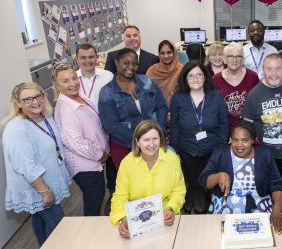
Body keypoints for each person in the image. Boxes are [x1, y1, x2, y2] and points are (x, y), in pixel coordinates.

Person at [1, 83, 71, 246]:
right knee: (59, 227)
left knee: (40, 221)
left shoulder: (46, 117)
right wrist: (45, 192)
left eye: (38, 96)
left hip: (48, 182)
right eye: (27, 99)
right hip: (37, 187)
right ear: (17, 103)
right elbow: (26, 166)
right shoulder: (16, 129)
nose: (35, 102)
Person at [198, 120, 282, 232]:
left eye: (245, 140)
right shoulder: (220, 153)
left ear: (253, 140)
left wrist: (277, 210)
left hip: (259, 202)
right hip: (225, 202)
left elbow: (277, 184)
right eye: (235, 140)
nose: (239, 145)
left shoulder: (265, 154)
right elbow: (203, 180)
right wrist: (218, 176)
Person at [109, 120, 186, 238]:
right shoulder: (127, 163)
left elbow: (179, 190)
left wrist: (171, 209)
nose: (151, 144)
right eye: (146, 140)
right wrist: (123, 218)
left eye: (155, 139)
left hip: (163, 217)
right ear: (137, 142)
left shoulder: (171, 159)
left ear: (161, 139)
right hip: (136, 220)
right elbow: (120, 196)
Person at [170, 61, 229, 213]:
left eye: (199, 75)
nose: (195, 79)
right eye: (191, 76)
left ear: (205, 77)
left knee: (208, 175)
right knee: (191, 175)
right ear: (185, 78)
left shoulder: (216, 96)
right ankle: (194, 192)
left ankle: (205, 195)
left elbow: (223, 124)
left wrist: (221, 148)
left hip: (212, 147)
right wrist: (175, 149)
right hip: (186, 146)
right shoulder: (178, 98)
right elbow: (175, 125)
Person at [243, 53, 282, 189]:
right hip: (267, 156)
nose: (274, 73)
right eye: (269, 69)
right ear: (263, 70)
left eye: (278, 68)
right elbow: (246, 128)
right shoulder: (254, 94)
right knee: (271, 190)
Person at [53, 63, 108, 216]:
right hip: (85, 165)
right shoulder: (66, 108)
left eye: (74, 78)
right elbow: (74, 141)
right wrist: (99, 154)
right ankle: (91, 235)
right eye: (65, 81)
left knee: (97, 198)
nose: (72, 83)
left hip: (93, 160)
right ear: (57, 85)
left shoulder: (80, 97)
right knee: (94, 201)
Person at [99, 48, 167, 170]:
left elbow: (161, 106)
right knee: (135, 184)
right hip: (125, 146)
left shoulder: (147, 82)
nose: (131, 67)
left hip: (154, 143)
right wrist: (139, 140)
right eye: (126, 63)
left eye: (135, 64)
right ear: (116, 63)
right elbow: (110, 124)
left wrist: (159, 131)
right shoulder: (107, 92)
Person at [214, 42, 259, 128]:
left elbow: (259, 102)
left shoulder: (252, 76)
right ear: (224, 59)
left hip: (249, 127)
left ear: (242, 59)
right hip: (225, 127)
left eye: (238, 56)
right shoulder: (216, 79)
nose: (234, 60)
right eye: (230, 56)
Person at [146, 40, 184, 108]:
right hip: (157, 110)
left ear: (174, 53)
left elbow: (185, 95)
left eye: (169, 52)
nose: (166, 56)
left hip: (178, 108)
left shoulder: (182, 70)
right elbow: (148, 96)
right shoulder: (152, 71)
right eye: (162, 53)